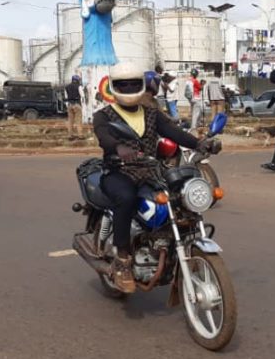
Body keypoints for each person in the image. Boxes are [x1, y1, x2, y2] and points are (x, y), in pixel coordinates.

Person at [93, 64, 217, 293]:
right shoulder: (103, 115)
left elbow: (174, 133)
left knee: (179, 198)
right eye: (123, 84)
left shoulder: (151, 113)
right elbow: (104, 137)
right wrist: (118, 148)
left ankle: (166, 244)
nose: (129, 88)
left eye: (133, 84)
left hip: (150, 171)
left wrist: (199, 143)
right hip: (118, 171)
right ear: (114, 87)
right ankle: (122, 259)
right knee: (127, 198)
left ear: (141, 85)